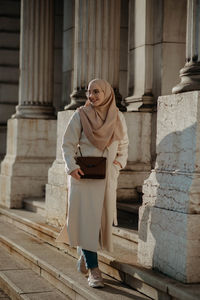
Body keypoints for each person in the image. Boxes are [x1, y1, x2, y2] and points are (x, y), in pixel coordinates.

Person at [56, 79, 129, 288]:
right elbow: (67, 144)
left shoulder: (118, 117)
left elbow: (124, 144)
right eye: (89, 92)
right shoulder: (80, 115)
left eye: (96, 92)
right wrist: (71, 167)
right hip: (83, 177)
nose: (92, 96)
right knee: (87, 222)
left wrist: (117, 164)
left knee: (97, 224)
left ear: (106, 93)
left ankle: (85, 256)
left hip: (106, 178)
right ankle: (94, 270)